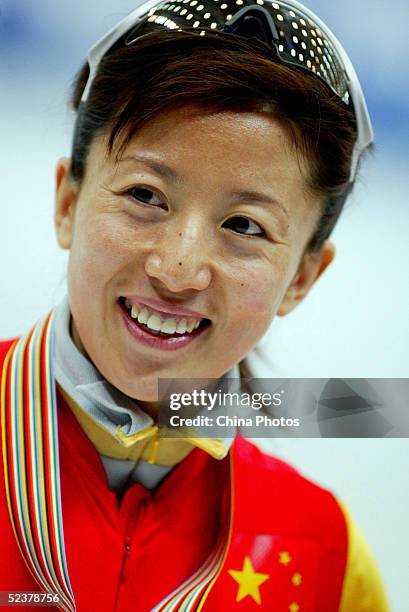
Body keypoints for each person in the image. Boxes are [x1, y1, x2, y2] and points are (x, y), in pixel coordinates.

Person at [0, 0, 389, 610]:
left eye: (244, 224)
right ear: (68, 203)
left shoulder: (325, 557)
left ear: (302, 277)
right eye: (145, 194)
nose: (177, 269)